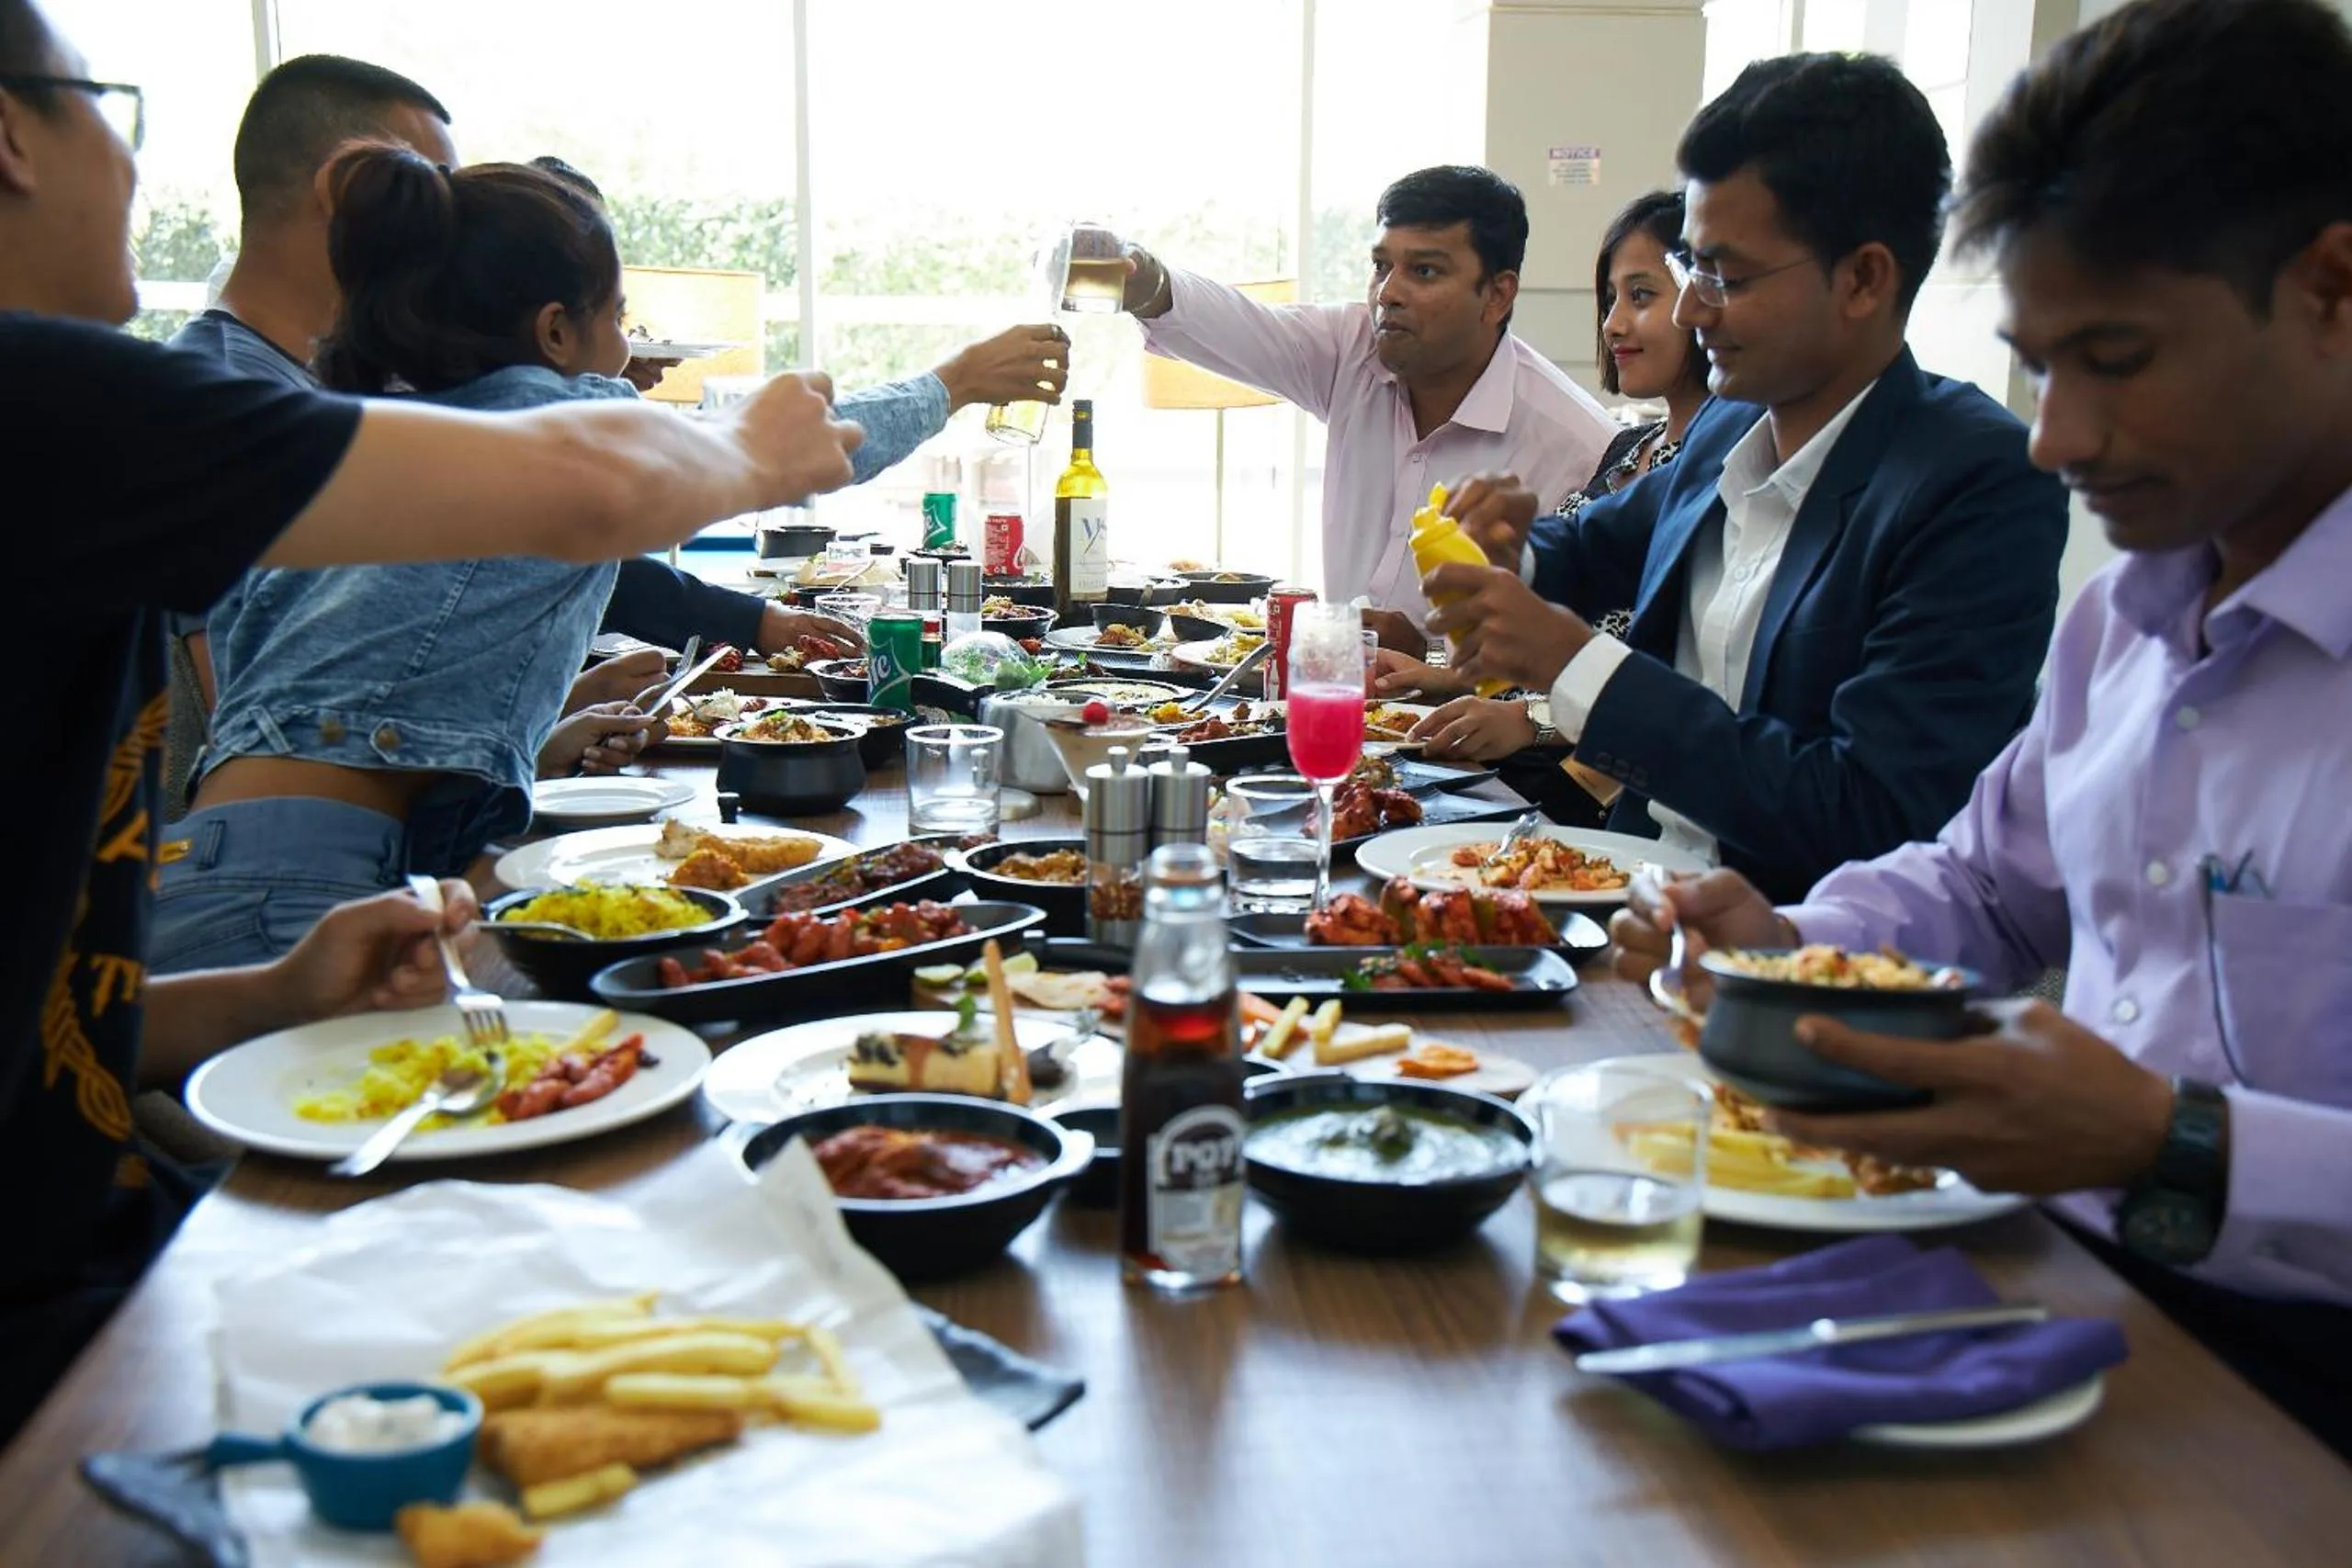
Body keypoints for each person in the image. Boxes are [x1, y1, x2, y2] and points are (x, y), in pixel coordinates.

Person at [0, 0, 859, 1438]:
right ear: (12, 134)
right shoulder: (41, 401)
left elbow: (52, 1019)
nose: (133, 166)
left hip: (98, 1267)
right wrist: (753, 448)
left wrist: (269, 994)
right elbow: (590, 485)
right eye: (105, 105)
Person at [1613, 0, 2352, 1457]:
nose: (2056, 437)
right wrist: (1790, 937)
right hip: (2057, 1291)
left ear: (2331, 290)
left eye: (2116, 357)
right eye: (2038, 362)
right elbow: (1986, 883)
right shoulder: (2129, 618)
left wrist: (2176, 1143)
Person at [1421, 53, 2068, 902]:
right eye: (1692, 268)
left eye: (1726, 276)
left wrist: (1575, 664)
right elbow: (1594, 545)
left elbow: (1871, 811)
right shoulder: (1733, 421)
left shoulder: (1974, 482)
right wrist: (1509, 547)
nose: (1692, 310)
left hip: (1795, 941)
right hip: (1628, 887)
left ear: (1863, 278)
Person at [152, 148, 728, 976]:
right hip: (298, 893)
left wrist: (543, 738)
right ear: (556, 330)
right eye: (618, 317)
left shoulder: (362, 431)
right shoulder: (565, 422)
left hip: (206, 869)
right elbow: (783, 448)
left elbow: (333, 692)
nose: (626, 348)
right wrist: (932, 388)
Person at [1114, 166, 1616, 648]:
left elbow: (1580, 657)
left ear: (1497, 295)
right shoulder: (1351, 349)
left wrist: (1429, 653)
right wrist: (1144, 282)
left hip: (1468, 708)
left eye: (1424, 271)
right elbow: (1235, 326)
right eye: (1381, 266)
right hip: (1334, 692)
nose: (1389, 293)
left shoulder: (1578, 448)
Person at [1385, 190, 1713, 785]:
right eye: (1610, 299)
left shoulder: (1719, 460)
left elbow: (1669, 681)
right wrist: (1439, 670)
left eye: (1641, 296)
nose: (1613, 323)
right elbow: (1562, 603)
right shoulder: (1630, 449)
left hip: (1593, 779)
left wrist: (1527, 720)